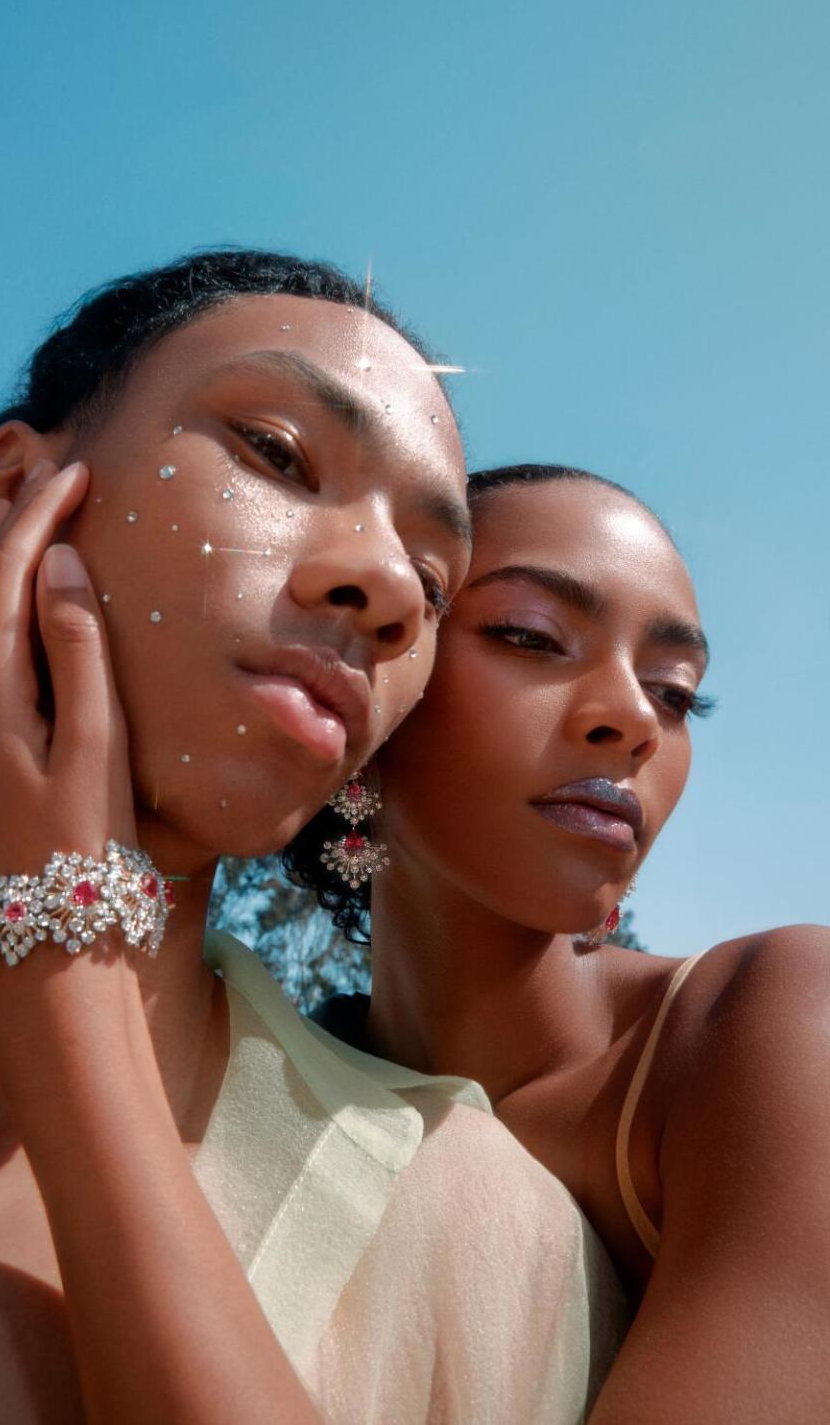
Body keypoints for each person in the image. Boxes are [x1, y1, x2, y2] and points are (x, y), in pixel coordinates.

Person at [0, 264, 625, 1424]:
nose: (387, 590)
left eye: (431, 580)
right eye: (277, 452)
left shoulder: (478, 1227)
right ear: (11, 490)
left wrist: (61, 965)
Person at [292, 463, 830, 1423]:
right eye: (531, 637)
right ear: (378, 685)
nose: (632, 722)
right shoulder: (259, 1090)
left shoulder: (768, 1026)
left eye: (675, 692)